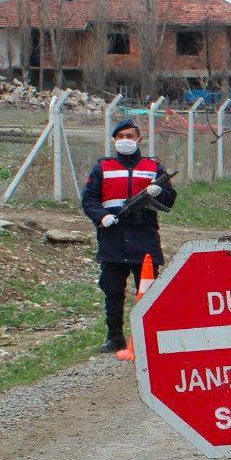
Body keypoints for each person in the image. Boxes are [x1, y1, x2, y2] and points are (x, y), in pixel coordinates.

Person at [81, 117, 177, 353]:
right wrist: (101, 217)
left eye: (129, 136)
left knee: (148, 291)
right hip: (112, 238)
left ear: (138, 139)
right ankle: (115, 336)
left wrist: (158, 191)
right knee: (112, 290)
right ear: (114, 140)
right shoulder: (102, 167)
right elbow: (89, 199)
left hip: (144, 237)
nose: (125, 141)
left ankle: (150, 338)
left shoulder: (153, 168)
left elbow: (170, 199)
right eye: (121, 137)